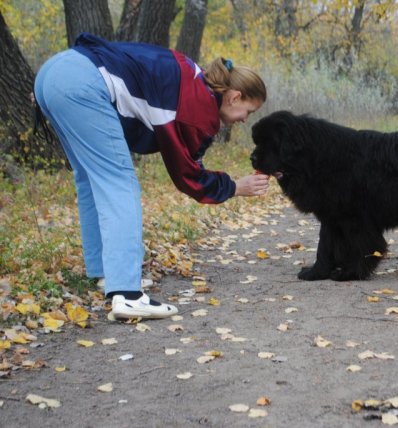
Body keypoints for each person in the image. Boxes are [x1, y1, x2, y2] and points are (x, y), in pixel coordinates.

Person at [34, 33, 269, 320]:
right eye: (249, 111)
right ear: (234, 97)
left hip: (55, 72)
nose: (245, 119)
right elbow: (188, 176)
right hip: (82, 82)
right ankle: (128, 295)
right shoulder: (199, 109)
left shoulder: (191, 76)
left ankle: (105, 273)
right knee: (118, 184)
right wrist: (234, 187)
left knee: (91, 179)